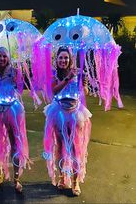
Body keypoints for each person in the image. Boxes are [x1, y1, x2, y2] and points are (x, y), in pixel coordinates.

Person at [43, 47, 92, 196]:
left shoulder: (78, 72)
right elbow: (54, 91)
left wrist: (84, 84)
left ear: (70, 59)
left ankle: (76, 181)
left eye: (66, 58)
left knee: (76, 149)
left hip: (75, 114)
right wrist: (67, 78)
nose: (63, 60)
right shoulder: (53, 73)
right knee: (60, 147)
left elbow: (85, 93)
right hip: (58, 113)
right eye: (60, 58)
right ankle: (63, 177)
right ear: (56, 60)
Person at [0, 47, 30, 193]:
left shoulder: (14, 71)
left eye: (4, 56)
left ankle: (16, 179)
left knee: (15, 144)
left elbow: (20, 90)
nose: (1, 59)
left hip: (11, 109)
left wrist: (19, 79)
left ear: (8, 58)